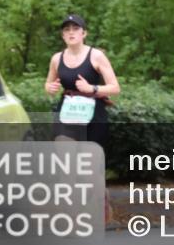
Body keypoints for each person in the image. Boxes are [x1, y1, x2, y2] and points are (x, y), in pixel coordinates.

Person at [45, 14, 120, 220]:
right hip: (67, 114)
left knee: (90, 173)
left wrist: (91, 88)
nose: (71, 33)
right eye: (66, 30)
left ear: (83, 33)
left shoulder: (96, 56)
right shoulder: (57, 58)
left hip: (93, 115)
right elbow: (49, 84)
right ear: (63, 35)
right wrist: (50, 87)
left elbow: (115, 87)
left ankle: (100, 202)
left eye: (75, 29)